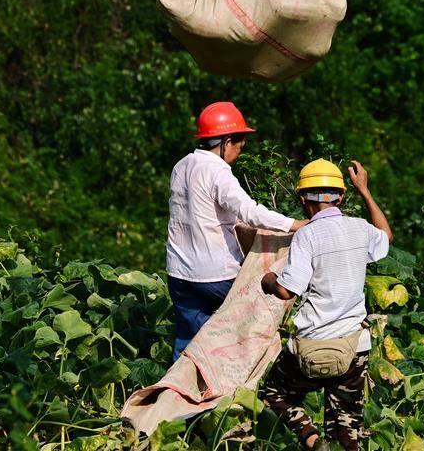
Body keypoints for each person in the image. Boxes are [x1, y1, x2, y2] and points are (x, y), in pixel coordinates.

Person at [260, 158, 392, 451]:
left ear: (302, 198)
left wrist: (268, 279)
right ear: (341, 196)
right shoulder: (360, 229)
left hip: (311, 346)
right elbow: (386, 237)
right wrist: (365, 191)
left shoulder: (307, 235)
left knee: (273, 392)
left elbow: (285, 292)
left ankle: (311, 438)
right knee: (348, 425)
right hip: (354, 347)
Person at [165, 101, 305, 361]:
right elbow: (249, 211)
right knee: (244, 328)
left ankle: (176, 393)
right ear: (226, 141)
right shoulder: (217, 171)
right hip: (214, 274)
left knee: (187, 342)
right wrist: (295, 224)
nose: (241, 149)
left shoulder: (181, 165)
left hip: (179, 272)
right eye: (240, 142)